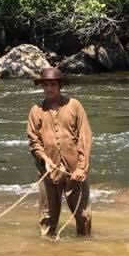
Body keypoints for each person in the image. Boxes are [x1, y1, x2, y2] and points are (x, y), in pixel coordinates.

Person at [26, 67, 93, 237]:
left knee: (83, 216)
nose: (49, 88)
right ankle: (48, 250)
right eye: (45, 85)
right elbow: (33, 141)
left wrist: (82, 168)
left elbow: (85, 136)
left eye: (53, 84)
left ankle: (85, 248)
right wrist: (45, 159)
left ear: (60, 85)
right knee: (47, 218)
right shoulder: (36, 110)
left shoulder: (74, 105)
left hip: (74, 171)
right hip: (47, 171)